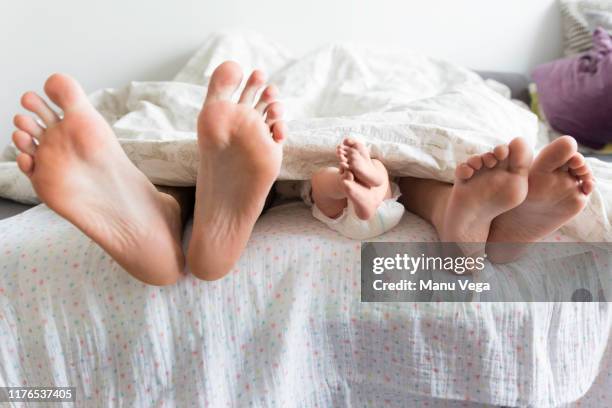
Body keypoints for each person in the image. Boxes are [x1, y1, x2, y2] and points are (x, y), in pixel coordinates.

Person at [302, 138, 404, 240]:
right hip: (384, 209)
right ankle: (368, 186)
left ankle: (342, 183)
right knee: (378, 164)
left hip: (342, 218)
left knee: (319, 180)